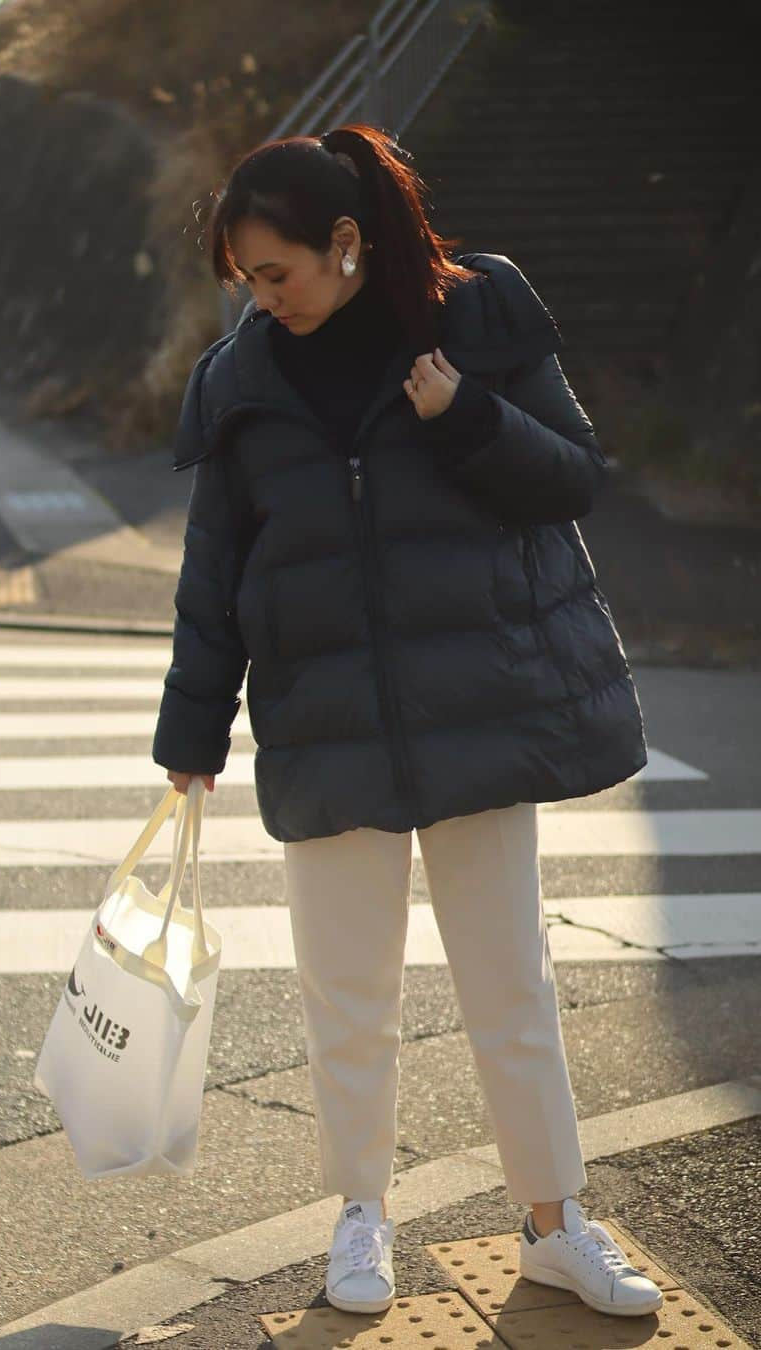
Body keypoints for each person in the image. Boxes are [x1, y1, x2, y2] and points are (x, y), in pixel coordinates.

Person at [151, 124, 660, 1319]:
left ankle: (554, 1226)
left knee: (510, 990)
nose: (261, 301)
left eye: (275, 274)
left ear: (345, 244)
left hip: (480, 712)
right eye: (245, 283)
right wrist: (191, 732)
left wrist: (463, 416)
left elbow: (576, 476)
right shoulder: (242, 381)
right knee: (347, 997)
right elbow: (217, 564)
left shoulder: (475, 317)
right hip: (323, 724)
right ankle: (361, 1218)